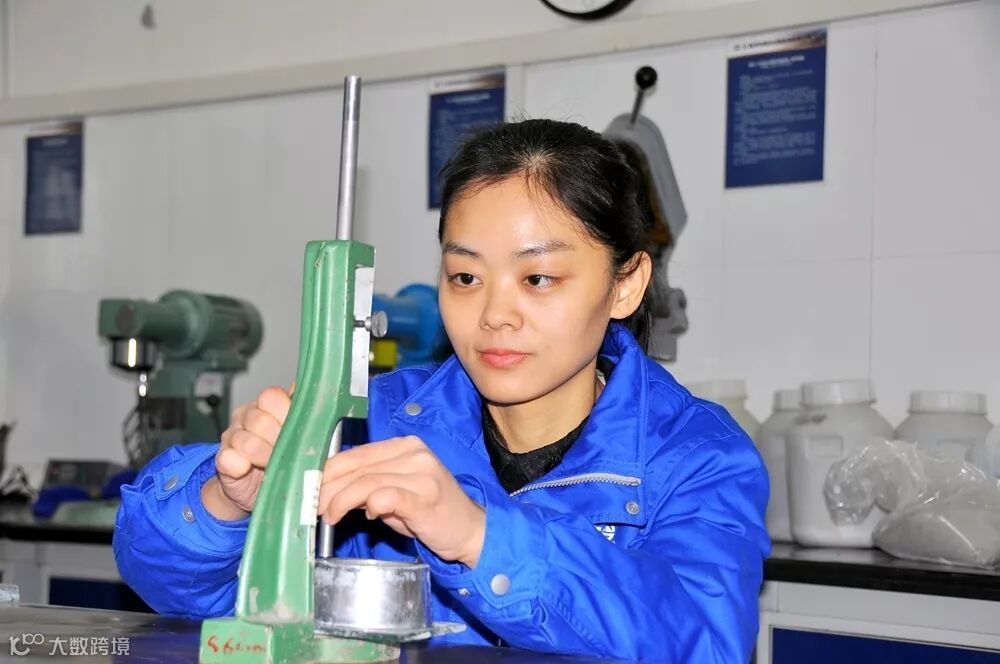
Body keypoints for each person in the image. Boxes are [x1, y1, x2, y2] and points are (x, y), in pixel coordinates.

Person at [113, 118, 769, 662]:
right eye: (465, 278)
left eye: (538, 279)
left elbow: (705, 643)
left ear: (625, 285)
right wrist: (230, 506)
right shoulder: (373, 422)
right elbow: (174, 588)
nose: (495, 315)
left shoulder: (696, 457)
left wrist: (480, 537)